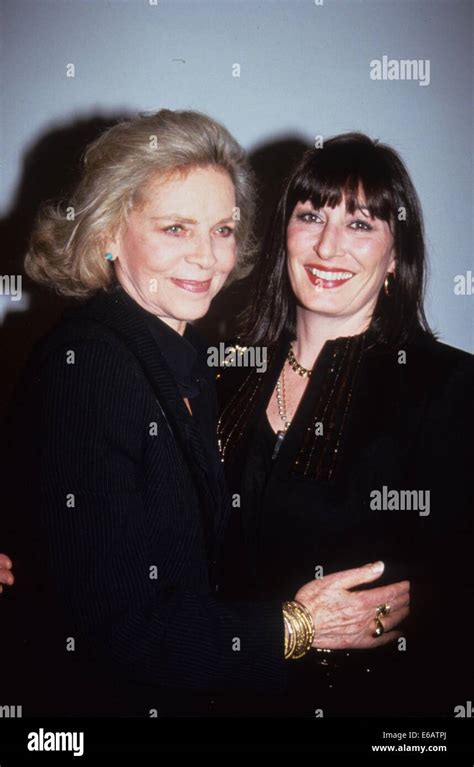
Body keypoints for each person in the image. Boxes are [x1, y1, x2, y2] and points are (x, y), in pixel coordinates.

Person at [2, 113, 408, 717]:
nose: (206, 257)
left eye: (222, 230)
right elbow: (120, 631)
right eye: (175, 228)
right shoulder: (95, 366)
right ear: (108, 233)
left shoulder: (187, 359)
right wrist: (298, 627)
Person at [217, 133, 473, 717]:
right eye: (311, 216)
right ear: (283, 236)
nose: (328, 246)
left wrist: (409, 615)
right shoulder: (222, 371)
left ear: (396, 256)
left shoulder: (447, 386)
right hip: (212, 697)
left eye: (360, 225)